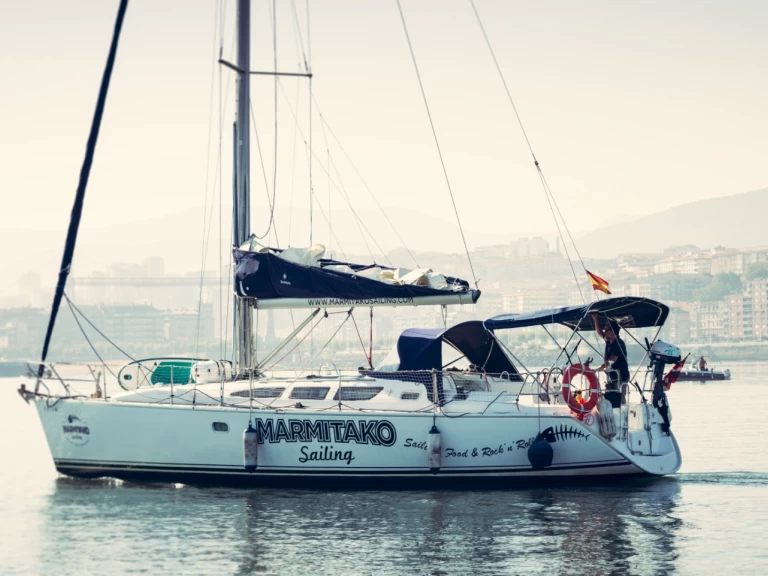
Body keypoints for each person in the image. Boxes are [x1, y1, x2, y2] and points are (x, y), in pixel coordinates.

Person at [592, 313, 630, 409]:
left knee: (620, 399)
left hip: (620, 377)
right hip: (612, 376)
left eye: (607, 329)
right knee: (608, 397)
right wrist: (596, 319)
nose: (605, 331)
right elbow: (599, 332)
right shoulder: (609, 341)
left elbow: (612, 360)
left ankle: (622, 415)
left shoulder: (619, 343)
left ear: (613, 331)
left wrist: (599, 368)